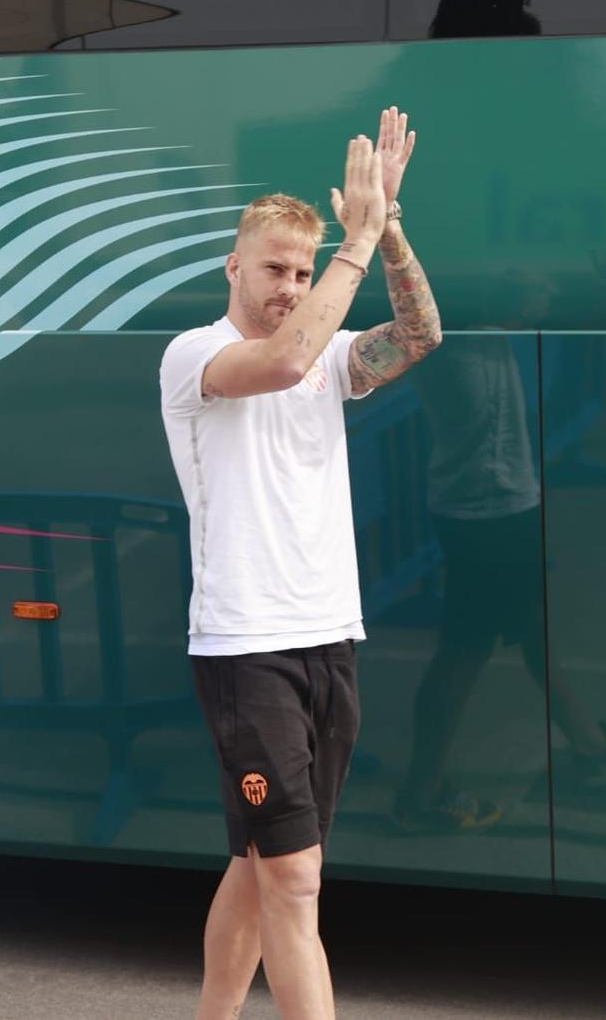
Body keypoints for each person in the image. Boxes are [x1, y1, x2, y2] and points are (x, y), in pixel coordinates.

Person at [158, 108, 441, 1020]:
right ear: (233, 267)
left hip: (331, 636)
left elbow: (421, 333)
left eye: (303, 272)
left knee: (261, 859)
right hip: (248, 646)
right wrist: (355, 237)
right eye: (275, 268)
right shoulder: (197, 355)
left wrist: (386, 225)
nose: (291, 286)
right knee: (298, 878)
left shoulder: (327, 362)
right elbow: (281, 359)